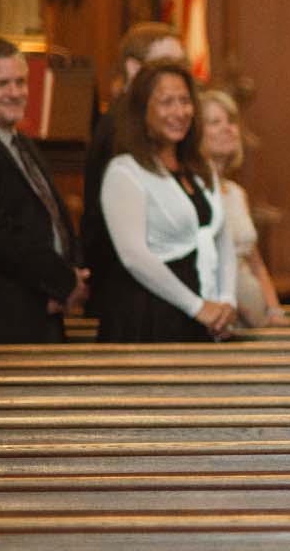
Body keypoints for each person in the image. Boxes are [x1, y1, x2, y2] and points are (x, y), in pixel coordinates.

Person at [0, 38, 87, 344]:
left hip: (42, 310)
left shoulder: (20, 141)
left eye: (21, 82)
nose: (15, 93)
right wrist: (63, 281)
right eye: (1, 84)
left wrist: (73, 273)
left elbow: (50, 214)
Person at [97, 59, 237, 343]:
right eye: (167, 102)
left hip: (206, 316)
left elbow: (222, 239)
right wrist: (197, 307)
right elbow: (134, 257)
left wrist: (226, 302)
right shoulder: (125, 171)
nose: (180, 112)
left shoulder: (199, 166)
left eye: (185, 101)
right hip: (152, 316)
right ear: (142, 110)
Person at [81, 23, 184, 317]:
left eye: (180, 64)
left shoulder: (140, 121)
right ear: (133, 67)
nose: (176, 75)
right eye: (165, 64)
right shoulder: (121, 126)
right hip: (128, 290)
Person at [197, 88, 286, 327]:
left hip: (258, 318)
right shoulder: (194, 192)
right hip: (225, 320)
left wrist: (275, 310)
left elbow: (256, 263)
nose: (228, 128)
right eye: (215, 122)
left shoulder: (236, 193)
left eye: (231, 121)